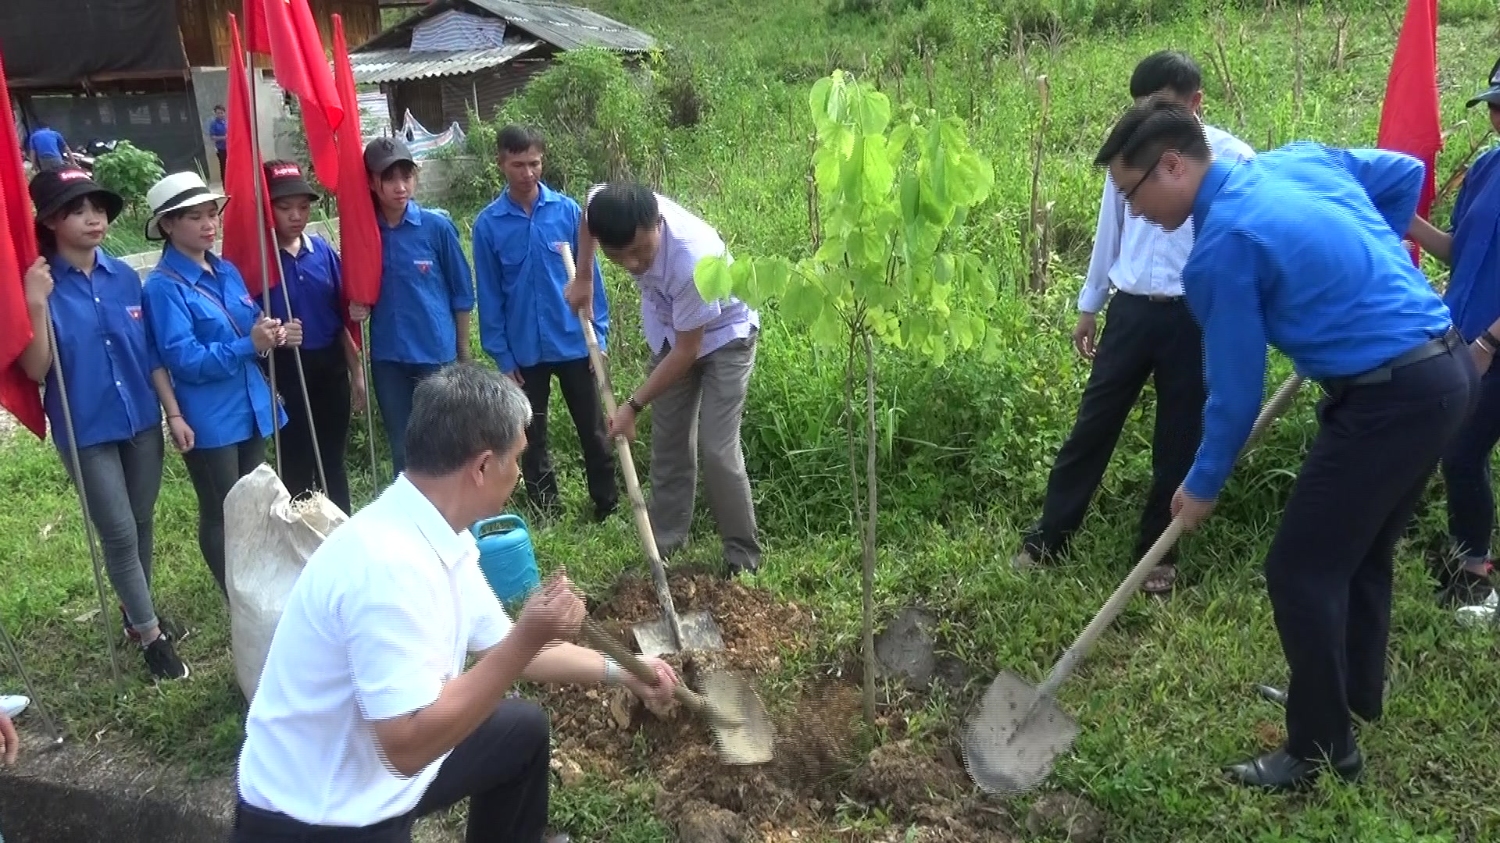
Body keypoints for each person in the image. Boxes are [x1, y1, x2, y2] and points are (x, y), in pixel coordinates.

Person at [1094, 99, 1474, 789]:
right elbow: (1399, 175)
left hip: (1389, 398)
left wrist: (1202, 482)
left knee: (1298, 570)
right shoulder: (1295, 159)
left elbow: (1234, 396)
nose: (1135, 213)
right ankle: (1346, 693)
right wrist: (1356, 276)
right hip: (1444, 374)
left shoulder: (1220, 251)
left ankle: (1320, 747)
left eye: (1133, 194)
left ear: (1173, 165)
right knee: (1359, 555)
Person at [233, 363, 679, 843]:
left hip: (377, 774)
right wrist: (530, 634)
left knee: (520, 733)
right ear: (484, 466)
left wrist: (627, 672)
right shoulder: (387, 566)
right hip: (320, 816)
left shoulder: (437, 533)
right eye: (517, 458)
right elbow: (405, 747)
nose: (519, 472)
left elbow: (507, 646)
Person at [1011, 51, 1255, 594]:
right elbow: (1109, 231)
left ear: (1195, 103)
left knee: (1178, 435)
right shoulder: (1131, 153)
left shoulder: (1234, 160)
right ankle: (1050, 535)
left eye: (1162, 106)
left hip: (1194, 315)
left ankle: (1156, 555)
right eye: (1141, 107)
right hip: (1132, 309)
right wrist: (1090, 304)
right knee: (1093, 424)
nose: (1148, 119)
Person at [17, 168, 191, 680]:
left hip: (139, 418)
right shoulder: (43, 284)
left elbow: (149, 353)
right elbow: (36, 369)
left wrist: (172, 412)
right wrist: (33, 301)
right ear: (50, 220)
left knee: (141, 521)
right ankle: (152, 636)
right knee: (117, 533)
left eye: (98, 208)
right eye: (77, 210)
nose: (93, 218)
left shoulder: (124, 279)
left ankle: (137, 614)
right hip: (86, 428)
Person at [567, 183, 763, 577]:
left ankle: (743, 559)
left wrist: (632, 405)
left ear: (657, 222)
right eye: (619, 256)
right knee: (669, 443)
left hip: (725, 338)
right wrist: (585, 274)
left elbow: (688, 353)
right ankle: (664, 547)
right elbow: (589, 212)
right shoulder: (607, 207)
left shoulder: (692, 258)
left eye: (642, 251)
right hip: (673, 331)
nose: (634, 264)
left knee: (717, 448)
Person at [141, 171, 299, 596]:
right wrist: (248, 344)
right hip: (208, 413)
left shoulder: (224, 268)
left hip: (248, 402)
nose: (209, 224)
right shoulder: (163, 287)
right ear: (168, 225)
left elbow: (247, 323)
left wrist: (269, 333)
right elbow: (184, 358)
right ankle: (235, 593)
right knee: (222, 506)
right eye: (195, 217)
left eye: (212, 214)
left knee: (256, 498)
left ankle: (259, 579)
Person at [472, 125, 617, 522]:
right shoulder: (488, 226)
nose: (527, 173)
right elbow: (490, 295)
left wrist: (598, 336)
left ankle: (607, 502)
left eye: (534, 163)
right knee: (529, 436)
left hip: (573, 341)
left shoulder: (568, 212)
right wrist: (501, 354)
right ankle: (545, 508)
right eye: (518, 164)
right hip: (524, 351)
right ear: (501, 162)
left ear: (543, 161)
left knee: (594, 428)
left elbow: (591, 280)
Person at [1406, 56, 1500, 613]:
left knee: (1464, 449)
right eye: (1495, 106)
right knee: (1461, 449)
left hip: (1488, 345)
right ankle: (1467, 554)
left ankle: (1474, 573)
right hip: (1463, 337)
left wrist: (1489, 342)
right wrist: (1402, 218)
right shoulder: (1487, 168)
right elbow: (1456, 250)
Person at [352, 137, 474, 477]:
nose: (400, 187)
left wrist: (462, 353)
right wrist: (355, 306)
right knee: (402, 444)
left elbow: (462, 292)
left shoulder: (436, 228)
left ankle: (454, 518)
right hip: (388, 358)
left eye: (407, 177)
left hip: (435, 355)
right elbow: (353, 288)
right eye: (389, 179)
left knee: (444, 442)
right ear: (372, 183)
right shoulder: (365, 233)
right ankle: (410, 520)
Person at [262, 160, 365, 514]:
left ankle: (341, 532)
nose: (296, 216)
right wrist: (276, 333)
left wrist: (358, 374)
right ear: (266, 208)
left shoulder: (320, 251)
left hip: (329, 369)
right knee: (295, 462)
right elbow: (246, 322)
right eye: (284, 207)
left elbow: (340, 320)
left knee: (332, 460)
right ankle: (302, 544)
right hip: (286, 373)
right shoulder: (257, 260)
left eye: (303, 207)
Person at [208, 105, 228, 181]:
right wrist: (224, 138)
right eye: (218, 113)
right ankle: (225, 185)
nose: (220, 115)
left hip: (229, 148)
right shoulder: (214, 124)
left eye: (221, 113)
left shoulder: (227, 122)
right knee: (224, 168)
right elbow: (212, 137)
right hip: (221, 149)